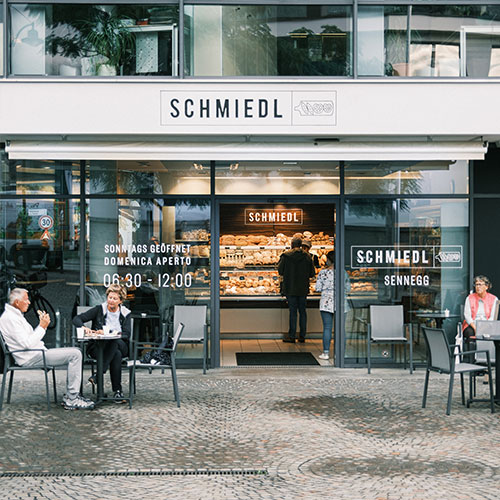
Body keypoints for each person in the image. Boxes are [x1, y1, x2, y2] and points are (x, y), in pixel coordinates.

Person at [0, 288, 94, 410]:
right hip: (31, 356)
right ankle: (72, 398)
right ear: (17, 302)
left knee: (76, 352)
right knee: (75, 354)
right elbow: (27, 344)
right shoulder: (11, 318)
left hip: (34, 353)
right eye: (26, 299)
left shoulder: (14, 316)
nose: (29, 302)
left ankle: (72, 396)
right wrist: (42, 327)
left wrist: (41, 325)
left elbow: (28, 340)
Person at [73, 284, 132, 403]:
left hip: (121, 344)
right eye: (110, 297)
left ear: (120, 300)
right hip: (98, 348)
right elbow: (77, 319)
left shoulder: (126, 313)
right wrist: (84, 328)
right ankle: (118, 392)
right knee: (116, 354)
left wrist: (110, 332)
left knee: (115, 342)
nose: (111, 301)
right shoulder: (100, 309)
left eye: (115, 299)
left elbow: (126, 334)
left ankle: (98, 375)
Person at [278, 236, 315, 343]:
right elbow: (312, 273)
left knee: (292, 312)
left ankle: (292, 336)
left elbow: (280, 271)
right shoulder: (307, 256)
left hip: (290, 288)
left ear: (291, 244)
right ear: (300, 245)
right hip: (303, 288)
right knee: (303, 312)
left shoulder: (286, 256)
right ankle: (302, 336)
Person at [462, 275, 498, 363]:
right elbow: (467, 315)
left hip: (487, 325)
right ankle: (472, 362)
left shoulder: (494, 299)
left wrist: (483, 327)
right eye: (476, 284)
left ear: (487, 286)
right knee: (470, 333)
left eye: (480, 284)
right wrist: (476, 327)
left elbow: (492, 318)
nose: (478, 287)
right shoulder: (469, 298)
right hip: (472, 324)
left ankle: (487, 361)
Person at [315, 251, 335, 360]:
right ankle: (341, 353)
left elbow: (317, 288)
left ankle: (326, 353)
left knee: (327, 328)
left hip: (326, 302)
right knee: (340, 329)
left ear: (329, 260)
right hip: (340, 302)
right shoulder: (343, 272)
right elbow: (348, 288)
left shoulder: (323, 273)